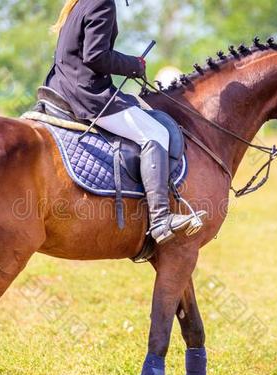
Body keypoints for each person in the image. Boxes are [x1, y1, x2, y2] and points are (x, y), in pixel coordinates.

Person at [45, 0, 206, 245]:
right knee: (155, 133)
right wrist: (134, 65)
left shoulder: (80, 3)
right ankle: (161, 219)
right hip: (87, 95)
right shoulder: (103, 3)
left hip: (63, 86)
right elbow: (96, 56)